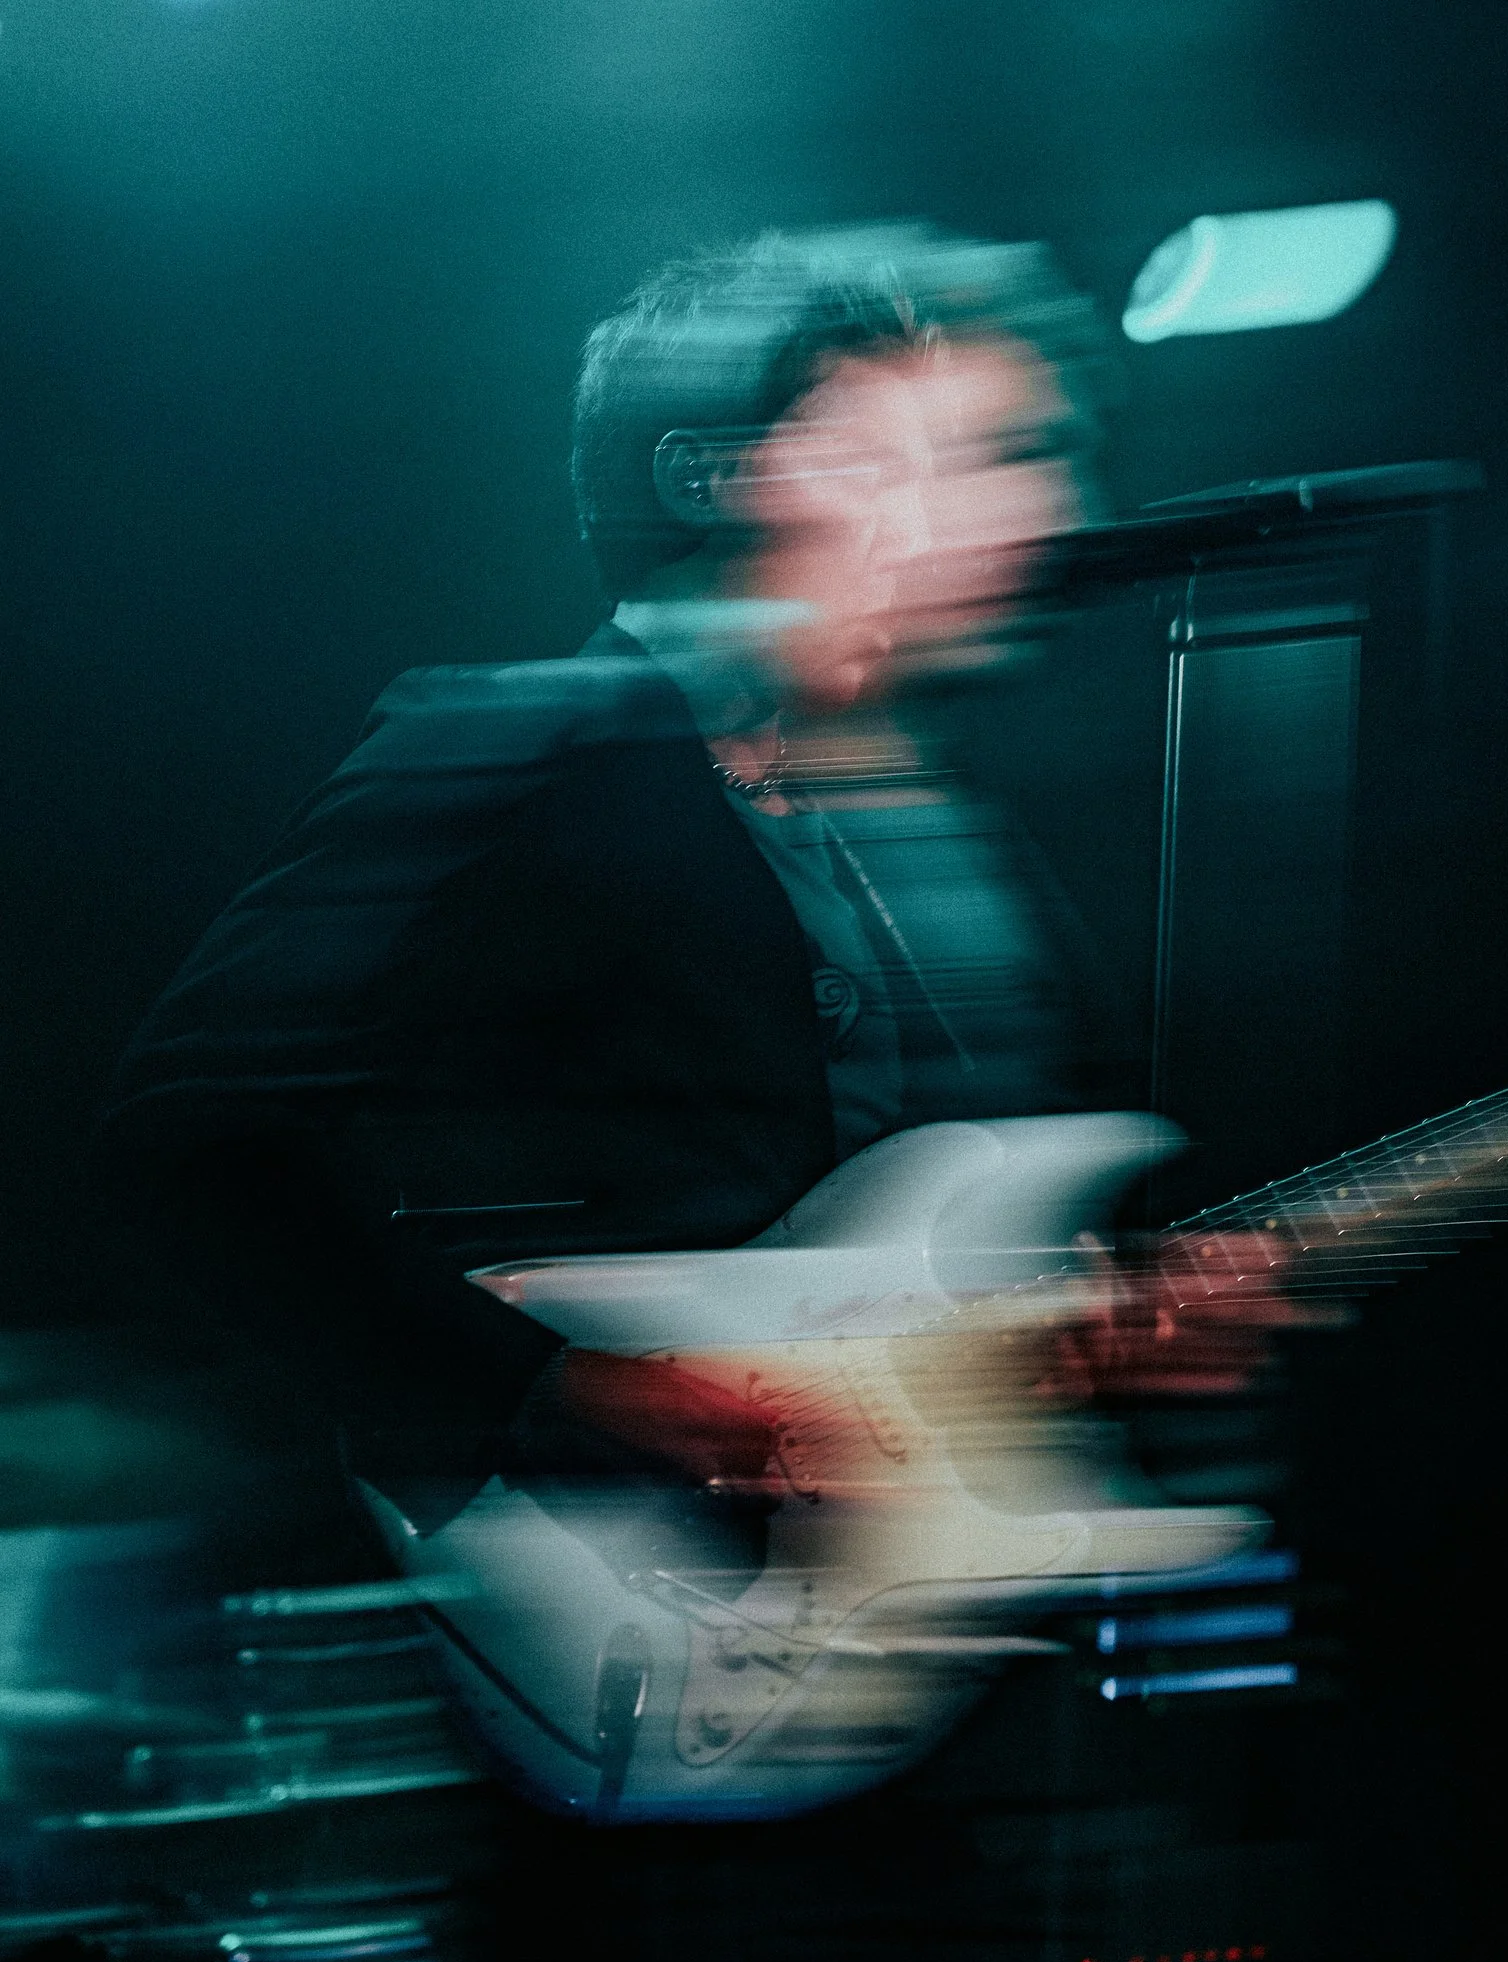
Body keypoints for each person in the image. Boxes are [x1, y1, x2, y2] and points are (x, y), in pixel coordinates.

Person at [101, 223, 1144, 1532]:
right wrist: (560, 1389)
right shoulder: (525, 747)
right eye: (930, 460)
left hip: (893, 1564)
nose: (1034, 514)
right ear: (719, 478)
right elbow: (190, 1140)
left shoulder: (941, 821)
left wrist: (1100, 1313)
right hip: (612, 1561)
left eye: (1023, 460)